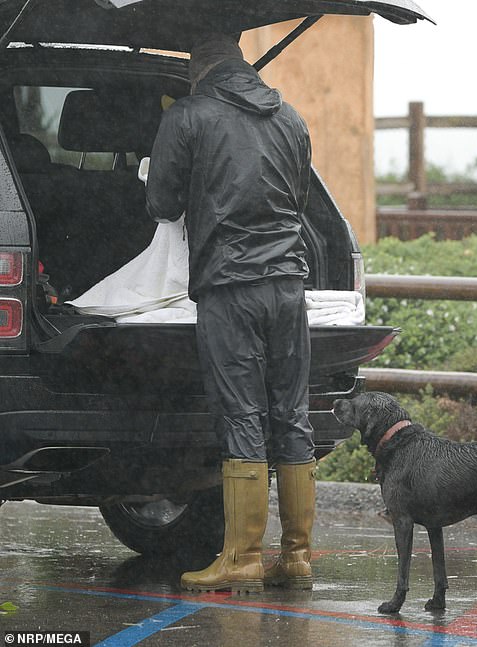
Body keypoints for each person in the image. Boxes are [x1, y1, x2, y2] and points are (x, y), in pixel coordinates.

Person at [145, 32, 316, 593]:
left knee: (241, 412)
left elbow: (163, 204)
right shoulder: (290, 117)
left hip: (230, 284)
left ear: (198, 66)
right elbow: (300, 200)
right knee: (291, 411)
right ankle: (297, 556)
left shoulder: (189, 116)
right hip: (289, 283)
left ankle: (241, 557)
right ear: (241, 62)